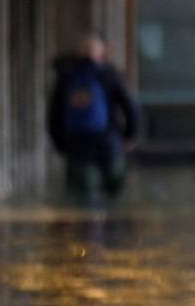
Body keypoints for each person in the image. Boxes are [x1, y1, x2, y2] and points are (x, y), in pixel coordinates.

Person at [47, 33, 138, 200]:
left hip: (78, 145)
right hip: (109, 142)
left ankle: (89, 223)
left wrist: (59, 143)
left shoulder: (67, 76)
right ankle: (112, 224)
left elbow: (54, 113)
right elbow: (130, 107)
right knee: (114, 194)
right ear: (102, 51)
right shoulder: (109, 74)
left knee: (84, 196)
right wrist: (129, 135)